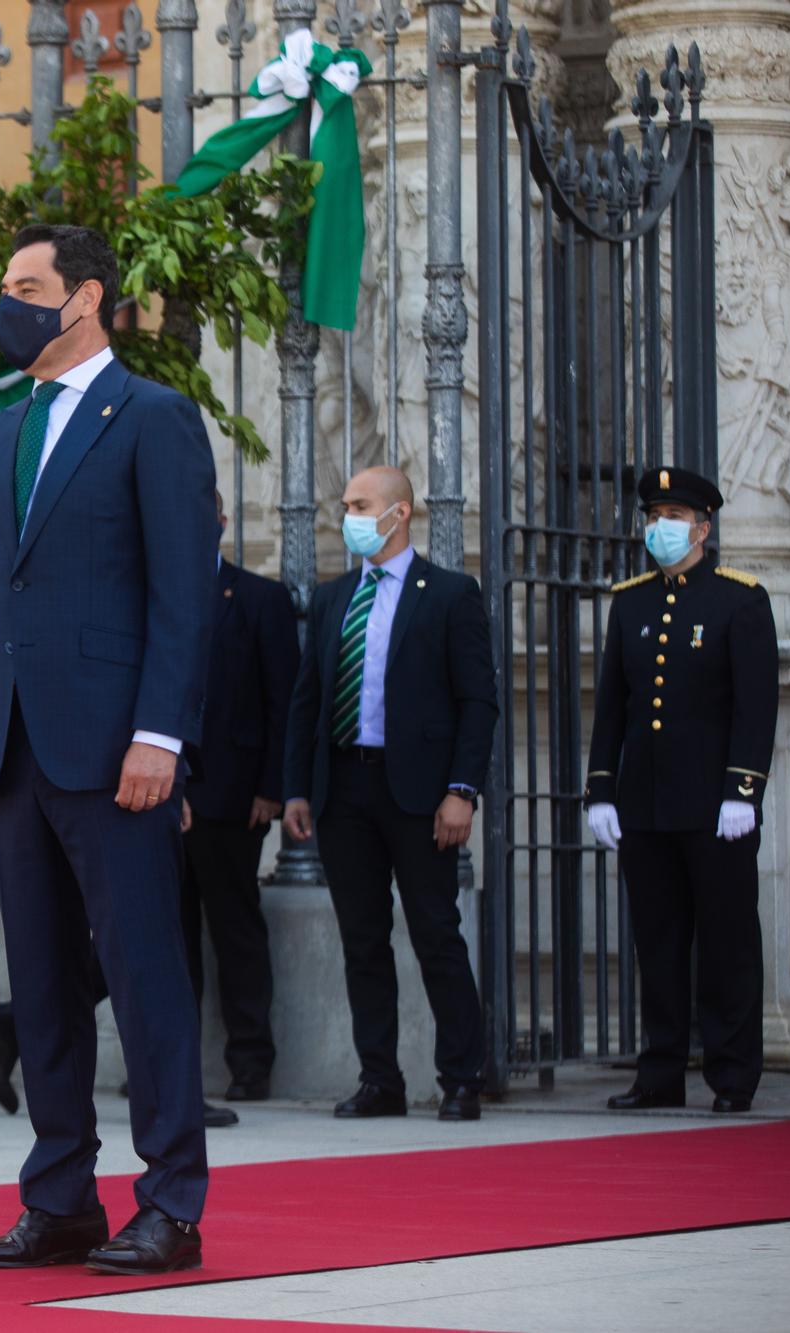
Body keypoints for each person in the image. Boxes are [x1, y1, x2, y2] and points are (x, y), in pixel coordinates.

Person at [0, 223, 217, 1277]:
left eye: (25, 285)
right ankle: (58, 1196)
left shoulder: (152, 417)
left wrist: (160, 733)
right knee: (44, 983)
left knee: (142, 975)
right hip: (11, 752)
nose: (7, 302)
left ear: (84, 297)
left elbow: (180, 594)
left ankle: (169, 1204)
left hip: (116, 755)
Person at [282, 466, 497, 1123]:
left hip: (420, 792)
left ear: (399, 512)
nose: (347, 513)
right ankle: (382, 1078)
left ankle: (463, 1076)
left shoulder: (450, 594)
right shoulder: (332, 597)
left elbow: (477, 701)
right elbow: (307, 699)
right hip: (345, 788)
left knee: (436, 932)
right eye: (345, 502)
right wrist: (296, 787)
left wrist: (462, 790)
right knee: (362, 939)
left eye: (359, 504)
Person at [584, 466, 777, 1114]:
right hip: (647, 803)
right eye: (653, 515)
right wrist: (601, 790)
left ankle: (732, 1073)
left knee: (725, 942)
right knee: (657, 942)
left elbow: (756, 706)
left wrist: (742, 791)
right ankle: (660, 1069)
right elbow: (613, 704)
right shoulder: (631, 600)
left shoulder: (739, 599)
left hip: (714, 807)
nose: (659, 528)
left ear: (703, 525)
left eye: (672, 516)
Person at [182, 488, 299, 1107]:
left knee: (236, 934)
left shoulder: (259, 598)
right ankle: (171, 1070)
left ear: (222, 522)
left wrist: (273, 790)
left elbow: (284, 701)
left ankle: (251, 1061)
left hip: (232, 801)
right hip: (160, 797)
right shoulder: (151, 594)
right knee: (169, 942)